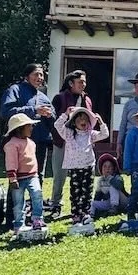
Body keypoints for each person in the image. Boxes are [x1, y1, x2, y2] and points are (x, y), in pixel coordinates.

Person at [53, 106, 109, 223]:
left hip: (88, 167)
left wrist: (101, 122)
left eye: (85, 119)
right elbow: (57, 125)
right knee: (75, 192)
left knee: (87, 192)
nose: (82, 122)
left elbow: (105, 134)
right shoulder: (68, 134)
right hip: (74, 168)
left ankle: (86, 213)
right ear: (73, 123)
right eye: (78, 120)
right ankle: (76, 214)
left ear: (89, 122)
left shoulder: (91, 134)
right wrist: (65, 114)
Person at [0, 63, 56, 180]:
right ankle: (14, 199)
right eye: (36, 74)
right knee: (16, 174)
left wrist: (49, 115)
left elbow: (54, 121)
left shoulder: (43, 97)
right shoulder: (15, 90)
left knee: (38, 174)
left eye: (42, 75)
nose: (40, 77)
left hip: (40, 141)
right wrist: (34, 110)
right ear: (27, 76)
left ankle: (36, 199)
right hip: (18, 140)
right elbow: (6, 112)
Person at [50, 70, 93, 214]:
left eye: (85, 82)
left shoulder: (87, 99)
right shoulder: (59, 98)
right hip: (62, 142)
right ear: (70, 83)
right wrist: (59, 136)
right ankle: (56, 204)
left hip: (82, 144)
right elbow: (52, 121)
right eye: (80, 81)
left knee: (82, 178)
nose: (84, 84)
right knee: (59, 176)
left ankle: (82, 207)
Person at [3, 113, 45, 235]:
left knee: (37, 194)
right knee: (18, 202)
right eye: (28, 126)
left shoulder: (31, 143)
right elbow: (11, 162)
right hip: (19, 178)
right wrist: (12, 178)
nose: (31, 128)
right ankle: (18, 224)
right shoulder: (12, 144)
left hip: (32, 176)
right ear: (19, 128)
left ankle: (37, 219)